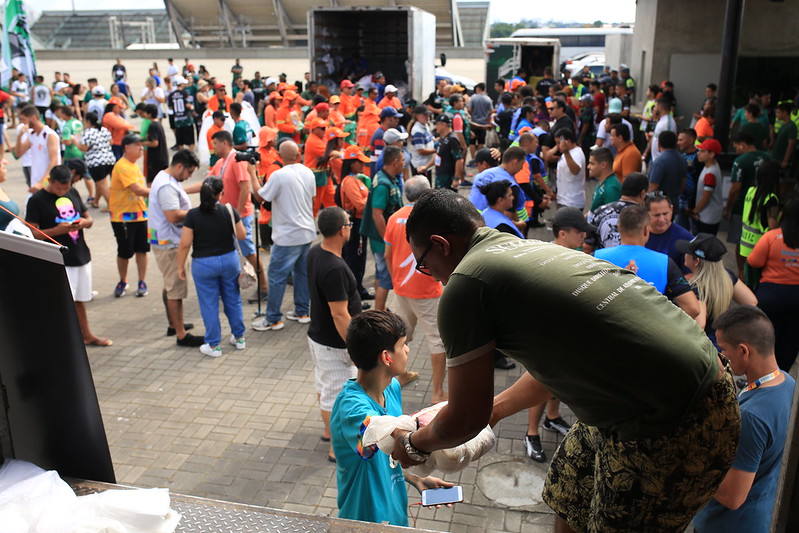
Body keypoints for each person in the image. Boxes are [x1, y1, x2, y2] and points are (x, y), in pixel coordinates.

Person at [390, 189, 740, 532]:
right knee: (568, 493)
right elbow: (555, 367)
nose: (430, 274)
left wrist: (414, 445)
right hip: (658, 390)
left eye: (423, 264)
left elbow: (465, 417)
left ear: (441, 245)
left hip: (680, 415)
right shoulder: (530, 248)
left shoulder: (465, 283)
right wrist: (494, 411)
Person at [331, 310, 453, 526]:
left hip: (395, 512)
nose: (407, 350)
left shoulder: (392, 387)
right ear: (387, 357)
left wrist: (417, 478)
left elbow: (385, 452)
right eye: (403, 345)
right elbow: (380, 432)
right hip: (365, 521)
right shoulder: (350, 409)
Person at [692, 306, 795, 533]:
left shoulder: (751, 417)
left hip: (727, 525)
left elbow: (732, 497)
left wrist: (692, 457)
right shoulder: (788, 383)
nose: (721, 355)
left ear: (744, 351)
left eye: (724, 349)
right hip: (760, 513)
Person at [524, 208, 591, 462]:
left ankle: (552, 418)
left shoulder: (579, 255)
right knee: (541, 384)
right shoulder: (544, 257)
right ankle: (531, 433)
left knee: (560, 385)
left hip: (570, 335)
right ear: (562, 234)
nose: (584, 236)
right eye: (578, 232)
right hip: (546, 337)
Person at [26, 165, 111, 347]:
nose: (63, 192)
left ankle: (86, 334)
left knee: (80, 299)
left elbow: (89, 219)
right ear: (50, 182)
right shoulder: (37, 200)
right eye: (59, 189)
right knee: (61, 302)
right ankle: (62, 340)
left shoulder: (72, 192)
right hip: (57, 258)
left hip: (79, 253)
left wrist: (83, 223)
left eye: (66, 188)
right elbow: (32, 233)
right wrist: (56, 230)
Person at [306, 207, 363, 461]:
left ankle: (329, 432)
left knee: (324, 384)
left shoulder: (315, 251)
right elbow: (340, 314)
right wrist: (355, 346)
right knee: (337, 395)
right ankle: (336, 448)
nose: (350, 227)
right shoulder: (334, 268)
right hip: (334, 343)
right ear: (343, 230)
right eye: (349, 224)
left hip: (318, 337)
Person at [177, 177, 247, 357]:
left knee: (209, 304)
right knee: (233, 298)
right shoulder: (228, 211)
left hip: (203, 263)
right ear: (220, 193)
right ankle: (239, 338)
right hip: (229, 261)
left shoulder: (192, 215)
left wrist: (180, 267)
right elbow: (241, 235)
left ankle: (214, 345)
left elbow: (185, 244)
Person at [596, 205, 701, 320]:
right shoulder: (664, 263)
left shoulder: (596, 257)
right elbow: (693, 309)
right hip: (649, 333)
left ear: (619, 228)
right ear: (647, 229)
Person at [254, 141, 316, 331]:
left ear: (279, 156)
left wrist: (250, 174)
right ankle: (302, 311)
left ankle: (273, 318)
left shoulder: (279, 175)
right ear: (298, 155)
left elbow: (260, 196)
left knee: (276, 277)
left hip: (287, 237)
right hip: (306, 232)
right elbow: (313, 200)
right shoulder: (308, 172)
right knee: (302, 274)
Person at [148, 150, 205, 347]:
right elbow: (172, 216)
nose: (189, 176)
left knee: (170, 284)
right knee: (175, 289)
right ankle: (181, 334)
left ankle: (175, 323)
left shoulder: (165, 178)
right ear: (179, 166)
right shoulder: (166, 186)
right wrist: (196, 212)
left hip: (165, 241)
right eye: (189, 172)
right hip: (170, 243)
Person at [209, 130, 267, 300]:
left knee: (248, 252)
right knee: (232, 252)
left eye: (215, 144)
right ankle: (230, 286)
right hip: (228, 217)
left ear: (225, 143)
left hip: (240, 217)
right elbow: (207, 182)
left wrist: (238, 216)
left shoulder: (237, 160)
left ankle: (263, 286)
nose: (213, 148)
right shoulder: (221, 162)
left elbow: (245, 188)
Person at [677, 233, 757, 347]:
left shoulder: (696, 289)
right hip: (723, 339)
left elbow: (699, 325)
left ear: (697, 261)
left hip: (706, 346)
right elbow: (751, 302)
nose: (684, 254)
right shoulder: (726, 276)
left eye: (688, 252)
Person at [747, 199, 799, 371]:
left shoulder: (771, 237)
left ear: (783, 215)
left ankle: (760, 374)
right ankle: (781, 375)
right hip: (796, 299)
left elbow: (753, 261)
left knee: (763, 338)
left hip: (771, 296)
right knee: (790, 342)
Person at [359, 146, 404, 312]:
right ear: (395, 162)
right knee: (385, 277)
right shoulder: (383, 185)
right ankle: (379, 314)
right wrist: (388, 240)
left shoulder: (387, 178)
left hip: (381, 239)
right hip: (381, 240)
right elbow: (377, 214)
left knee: (380, 274)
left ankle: (381, 309)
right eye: (402, 160)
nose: (404, 164)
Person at [724, 132, 772, 277]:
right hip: (766, 204)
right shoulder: (768, 157)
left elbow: (735, 188)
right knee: (765, 240)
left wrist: (728, 207)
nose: (736, 150)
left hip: (743, 206)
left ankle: (742, 273)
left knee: (741, 242)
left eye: (737, 147)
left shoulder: (740, 161)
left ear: (742, 144)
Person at [109, 135, 151, 298]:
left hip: (140, 215)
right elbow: (138, 190)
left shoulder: (133, 166)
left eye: (142, 145)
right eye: (138, 145)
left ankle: (142, 281)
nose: (141, 148)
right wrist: (159, 191)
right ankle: (123, 280)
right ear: (127, 147)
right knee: (125, 252)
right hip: (123, 218)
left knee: (142, 250)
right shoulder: (122, 166)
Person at [338, 145, 374, 300]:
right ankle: (354, 295)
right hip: (355, 225)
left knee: (359, 259)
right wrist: (372, 199)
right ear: (351, 163)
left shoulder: (356, 180)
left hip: (360, 223)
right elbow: (360, 205)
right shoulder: (350, 182)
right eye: (359, 162)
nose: (362, 165)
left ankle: (359, 289)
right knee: (354, 260)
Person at [740, 159, 781, 288]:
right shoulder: (771, 199)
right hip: (760, 250)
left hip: (745, 246)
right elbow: (773, 229)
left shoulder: (751, 191)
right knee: (756, 286)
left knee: (748, 283)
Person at [586, 172, 649, 251]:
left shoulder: (600, 211)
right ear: (642, 193)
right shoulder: (644, 216)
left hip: (603, 260)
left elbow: (587, 245)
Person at [14, 105, 60, 193]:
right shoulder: (32, 134)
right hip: (36, 181)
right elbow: (18, 153)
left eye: (24, 119)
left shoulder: (49, 135)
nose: (23, 123)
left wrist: (42, 183)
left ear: (33, 118)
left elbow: (54, 161)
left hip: (47, 182)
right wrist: (19, 136)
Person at [646, 192, 695, 273]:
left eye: (665, 214)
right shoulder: (637, 235)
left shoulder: (686, 239)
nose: (661, 219)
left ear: (671, 210)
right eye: (656, 215)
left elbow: (692, 275)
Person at [76, 112, 115, 210]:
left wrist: (75, 142)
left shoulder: (88, 133)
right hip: (109, 159)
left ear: (88, 121)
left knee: (101, 184)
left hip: (96, 162)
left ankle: (111, 205)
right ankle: (96, 201)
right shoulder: (104, 130)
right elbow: (111, 142)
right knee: (101, 183)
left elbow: (84, 148)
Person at [691, 138, 724, 235]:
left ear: (711, 154)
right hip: (709, 215)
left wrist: (695, 211)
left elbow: (706, 197)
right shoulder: (711, 167)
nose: (698, 153)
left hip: (707, 217)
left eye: (702, 151)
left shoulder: (710, 173)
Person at [647, 130, 687, 208]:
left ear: (659, 144)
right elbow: (683, 182)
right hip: (675, 202)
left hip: (659, 204)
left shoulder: (659, 161)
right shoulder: (682, 159)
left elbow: (653, 186)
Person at [676, 128, 704, 232]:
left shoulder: (699, 158)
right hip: (680, 201)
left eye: (681, 140)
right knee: (681, 233)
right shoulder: (680, 156)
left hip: (693, 204)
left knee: (695, 234)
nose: (678, 143)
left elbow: (699, 182)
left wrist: (692, 204)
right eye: (678, 140)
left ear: (691, 140)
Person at [553, 128, 586, 210]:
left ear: (567, 141)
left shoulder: (576, 153)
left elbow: (575, 170)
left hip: (571, 202)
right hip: (563, 200)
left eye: (558, 143)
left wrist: (566, 152)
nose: (557, 146)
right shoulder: (567, 153)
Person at [138, 104, 169, 184]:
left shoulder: (152, 126)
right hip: (162, 157)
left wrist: (141, 143)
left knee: (151, 183)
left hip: (155, 159)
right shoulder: (158, 124)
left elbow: (155, 143)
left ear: (149, 114)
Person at [433, 114, 465, 190]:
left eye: (437, 124)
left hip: (448, 179)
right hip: (440, 178)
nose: (435, 127)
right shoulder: (443, 138)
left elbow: (459, 160)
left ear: (443, 125)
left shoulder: (452, 139)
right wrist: (426, 167)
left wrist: (456, 178)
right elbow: (438, 155)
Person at [168, 77, 195, 151]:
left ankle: (183, 156)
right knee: (190, 141)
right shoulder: (185, 93)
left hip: (177, 120)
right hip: (187, 119)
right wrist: (192, 107)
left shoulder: (171, 94)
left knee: (180, 142)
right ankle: (191, 154)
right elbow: (187, 105)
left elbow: (170, 107)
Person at [409, 105, 436, 178]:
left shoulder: (426, 126)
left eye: (428, 114)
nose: (427, 116)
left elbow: (430, 140)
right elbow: (421, 151)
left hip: (427, 165)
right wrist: (436, 150)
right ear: (417, 116)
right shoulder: (417, 131)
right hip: (421, 166)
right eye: (425, 115)